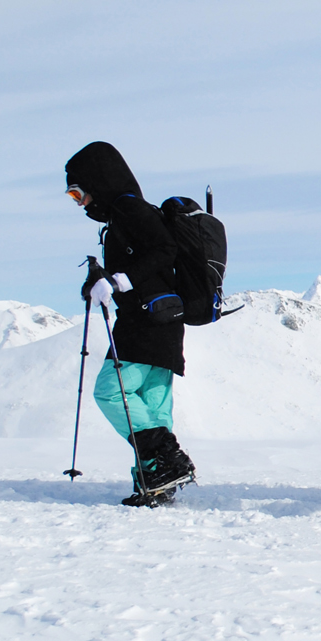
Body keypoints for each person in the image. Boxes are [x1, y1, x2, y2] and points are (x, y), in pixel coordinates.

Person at [65, 141, 196, 506]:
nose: (80, 203)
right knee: (153, 404)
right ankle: (155, 479)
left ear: (98, 182)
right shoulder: (125, 212)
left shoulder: (128, 208)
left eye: (79, 192)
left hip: (145, 321)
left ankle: (167, 458)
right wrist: (103, 281)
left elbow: (163, 249)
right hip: (165, 319)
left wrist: (118, 281)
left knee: (110, 390)